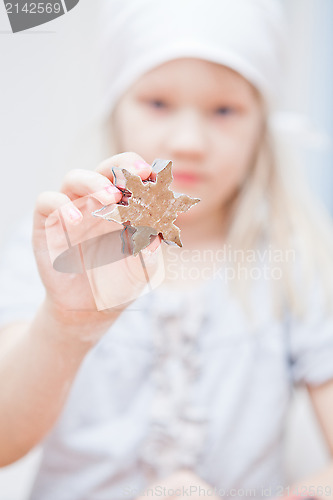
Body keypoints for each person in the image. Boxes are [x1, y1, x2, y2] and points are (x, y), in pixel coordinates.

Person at [0, 1, 333, 499]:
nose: (189, 140)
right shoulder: (58, 249)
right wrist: (63, 327)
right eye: (158, 102)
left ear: (260, 124)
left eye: (224, 110)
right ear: (117, 106)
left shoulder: (300, 263)